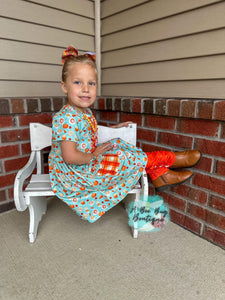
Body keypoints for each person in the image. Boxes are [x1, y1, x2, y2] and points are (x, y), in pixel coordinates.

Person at [48, 45, 201, 224]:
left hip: (86, 161)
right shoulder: (66, 117)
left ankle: (161, 174)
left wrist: (114, 129)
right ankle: (168, 160)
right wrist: (94, 155)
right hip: (75, 174)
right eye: (77, 82)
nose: (86, 89)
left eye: (91, 83)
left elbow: (86, 135)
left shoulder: (84, 113)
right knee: (121, 156)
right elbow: (70, 156)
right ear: (64, 87)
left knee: (117, 145)